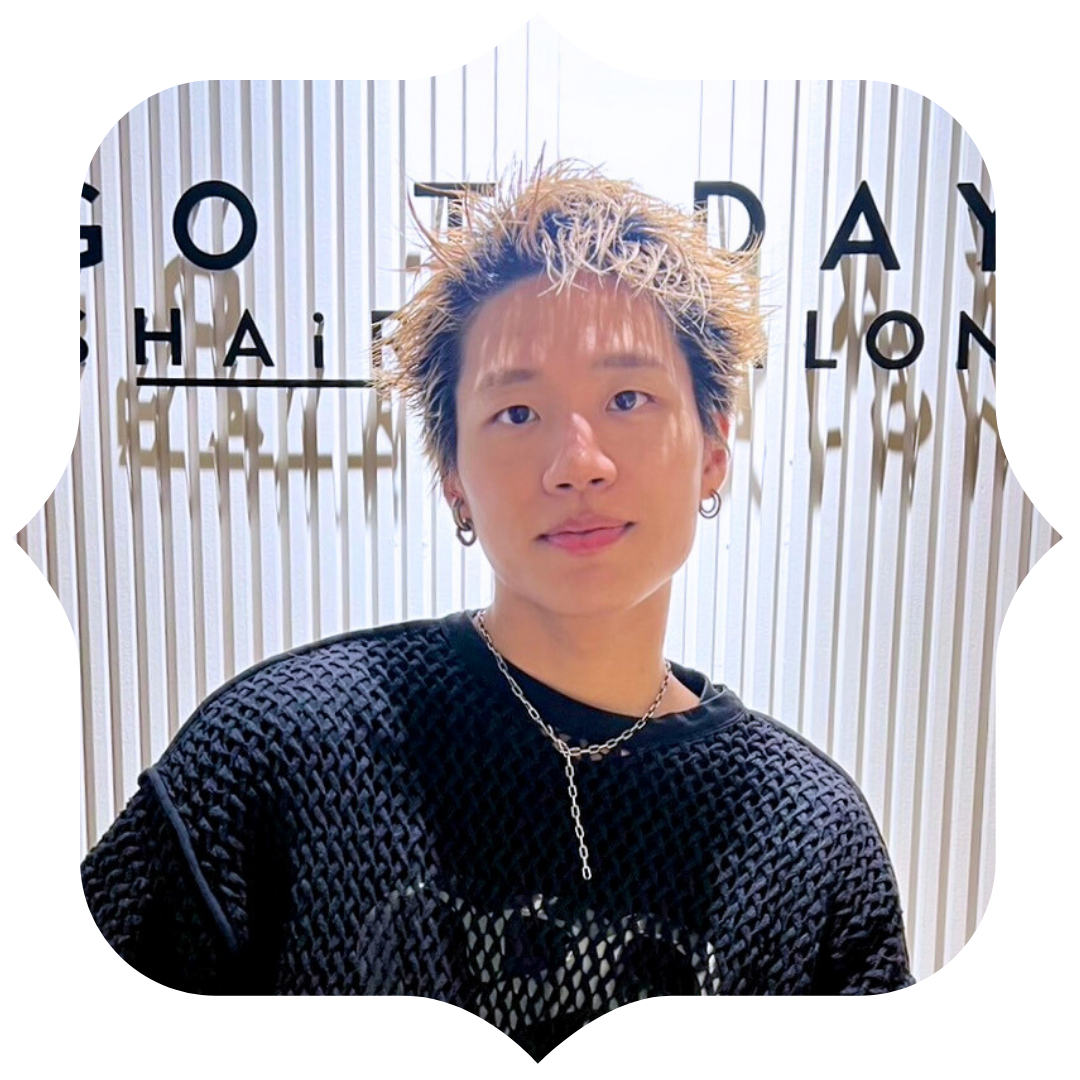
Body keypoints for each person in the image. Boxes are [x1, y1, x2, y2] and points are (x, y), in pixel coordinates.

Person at [81, 157, 914, 1061]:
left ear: (713, 449)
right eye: (517, 412)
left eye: (627, 398)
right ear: (454, 480)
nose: (578, 463)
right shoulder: (278, 754)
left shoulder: (808, 836)